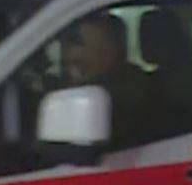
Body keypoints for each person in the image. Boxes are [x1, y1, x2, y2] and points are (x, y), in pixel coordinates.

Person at [62, 12, 153, 148]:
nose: (68, 55)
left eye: (78, 43)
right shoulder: (95, 83)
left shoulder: (127, 90)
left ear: (110, 50)